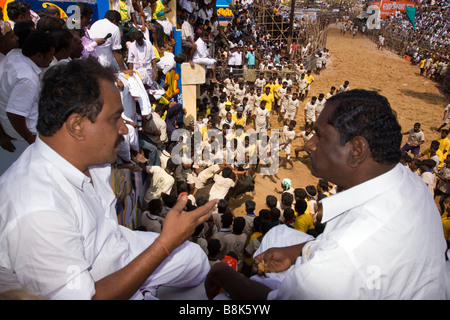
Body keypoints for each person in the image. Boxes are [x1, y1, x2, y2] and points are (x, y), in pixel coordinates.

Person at [0, 59, 219, 300]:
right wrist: (166, 243)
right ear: (77, 126)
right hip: (93, 285)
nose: (125, 130)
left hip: (113, 248)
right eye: (115, 118)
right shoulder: (37, 209)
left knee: (196, 260)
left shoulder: (93, 160)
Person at [205, 89, 447, 300]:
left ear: (356, 150)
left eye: (320, 136)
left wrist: (223, 274)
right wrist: (300, 251)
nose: (310, 144)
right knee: (279, 235)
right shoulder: (412, 183)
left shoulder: (340, 257)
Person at [0, 30, 57, 175]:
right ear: (38, 55)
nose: (52, 58)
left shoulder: (14, 55)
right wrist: (29, 138)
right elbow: (14, 114)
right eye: (50, 54)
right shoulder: (27, 79)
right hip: (24, 137)